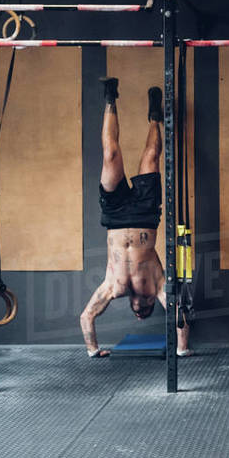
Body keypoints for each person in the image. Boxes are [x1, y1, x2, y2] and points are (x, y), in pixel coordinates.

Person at [79, 77, 191, 358]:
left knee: (110, 154)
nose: (140, 311)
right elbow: (180, 315)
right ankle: (155, 116)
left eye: (138, 311)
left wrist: (92, 350)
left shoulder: (112, 288)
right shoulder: (156, 285)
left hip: (115, 215)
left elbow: (86, 316)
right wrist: (182, 348)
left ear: (132, 304)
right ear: (152, 301)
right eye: (146, 310)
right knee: (152, 155)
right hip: (144, 214)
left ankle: (110, 97)